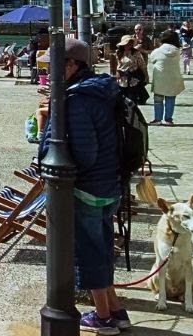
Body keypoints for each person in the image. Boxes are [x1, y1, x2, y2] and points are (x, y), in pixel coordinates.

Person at [35, 38, 129, 334]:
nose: (48, 70)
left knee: (87, 251)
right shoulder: (99, 91)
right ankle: (115, 310)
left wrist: (44, 135)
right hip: (108, 184)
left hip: (87, 188)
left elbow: (83, 153)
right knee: (100, 248)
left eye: (53, 64)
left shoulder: (77, 100)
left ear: (72, 65)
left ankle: (102, 317)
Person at [147, 30, 185, 125]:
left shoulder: (158, 51)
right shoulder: (177, 51)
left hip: (160, 78)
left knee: (158, 100)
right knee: (170, 99)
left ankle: (158, 119)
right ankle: (168, 119)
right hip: (173, 78)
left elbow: (152, 59)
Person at [114, 34, 149, 106]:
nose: (129, 45)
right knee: (122, 100)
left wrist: (146, 76)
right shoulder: (118, 53)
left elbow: (142, 65)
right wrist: (117, 73)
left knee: (132, 100)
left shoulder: (136, 53)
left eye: (130, 43)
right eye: (127, 43)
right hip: (122, 80)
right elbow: (118, 65)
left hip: (133, 79)